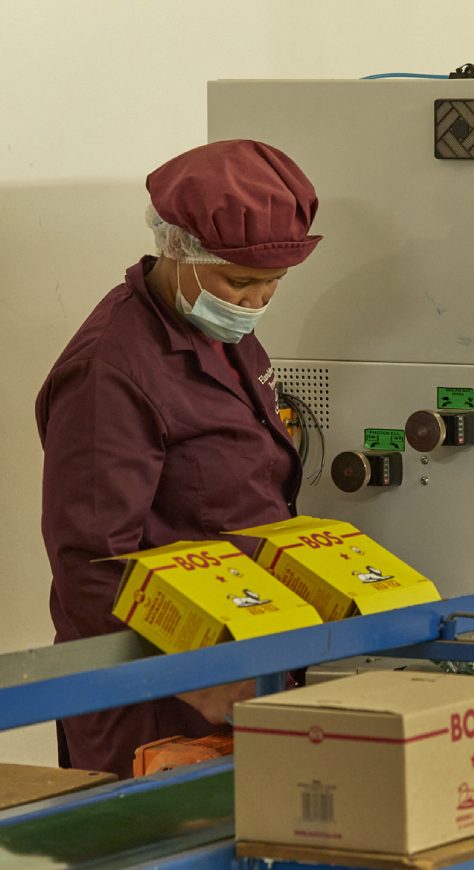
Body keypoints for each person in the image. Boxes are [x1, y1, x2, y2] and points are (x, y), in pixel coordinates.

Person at [35, 139, 322, 779]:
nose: (255, 301)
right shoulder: (109, 372)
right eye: (240, 282)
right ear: (177, 248)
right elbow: (90, 561)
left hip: (243, 657)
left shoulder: (221, 334)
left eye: (273, 283)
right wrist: (194, 673)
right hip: (157, 694)